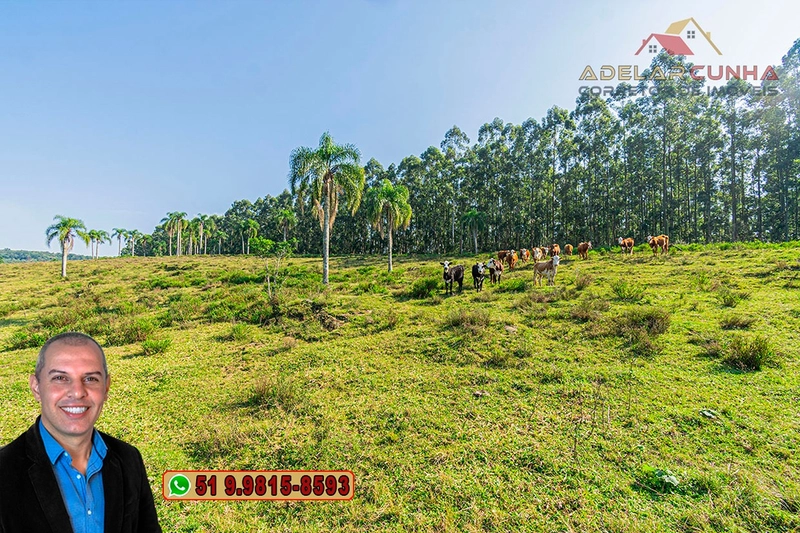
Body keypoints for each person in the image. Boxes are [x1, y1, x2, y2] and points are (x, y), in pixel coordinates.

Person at [0, 332, 161, 533]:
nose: (77, 392)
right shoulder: (4, 470)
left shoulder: (129, 458)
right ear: (36, 387)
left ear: (106, 387)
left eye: (91, 378)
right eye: (60, 378)